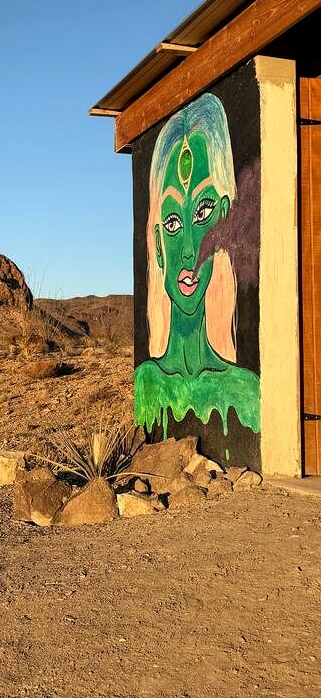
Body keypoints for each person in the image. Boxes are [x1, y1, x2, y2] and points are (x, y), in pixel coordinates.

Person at [134, 92, 259, 446]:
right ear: (158, 245)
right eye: (173, 221)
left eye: (202, 214)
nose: (189, 250)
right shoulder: (146, 383)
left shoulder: (245, 391)